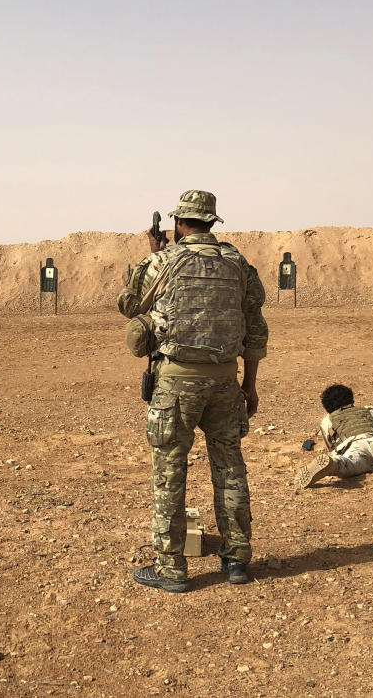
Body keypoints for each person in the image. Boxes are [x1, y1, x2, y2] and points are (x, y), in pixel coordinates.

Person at [118, 190, 269, 591]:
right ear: (212, 222)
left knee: (170, 472)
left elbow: (129, 305)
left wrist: (150, 255)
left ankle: (171, 570)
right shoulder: (238, 263)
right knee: (230, 469)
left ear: (179, 224)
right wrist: (249, 386)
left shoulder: (164, 260)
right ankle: (237, 559)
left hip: (176, 384)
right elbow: (255, 330)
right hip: (225, 381)